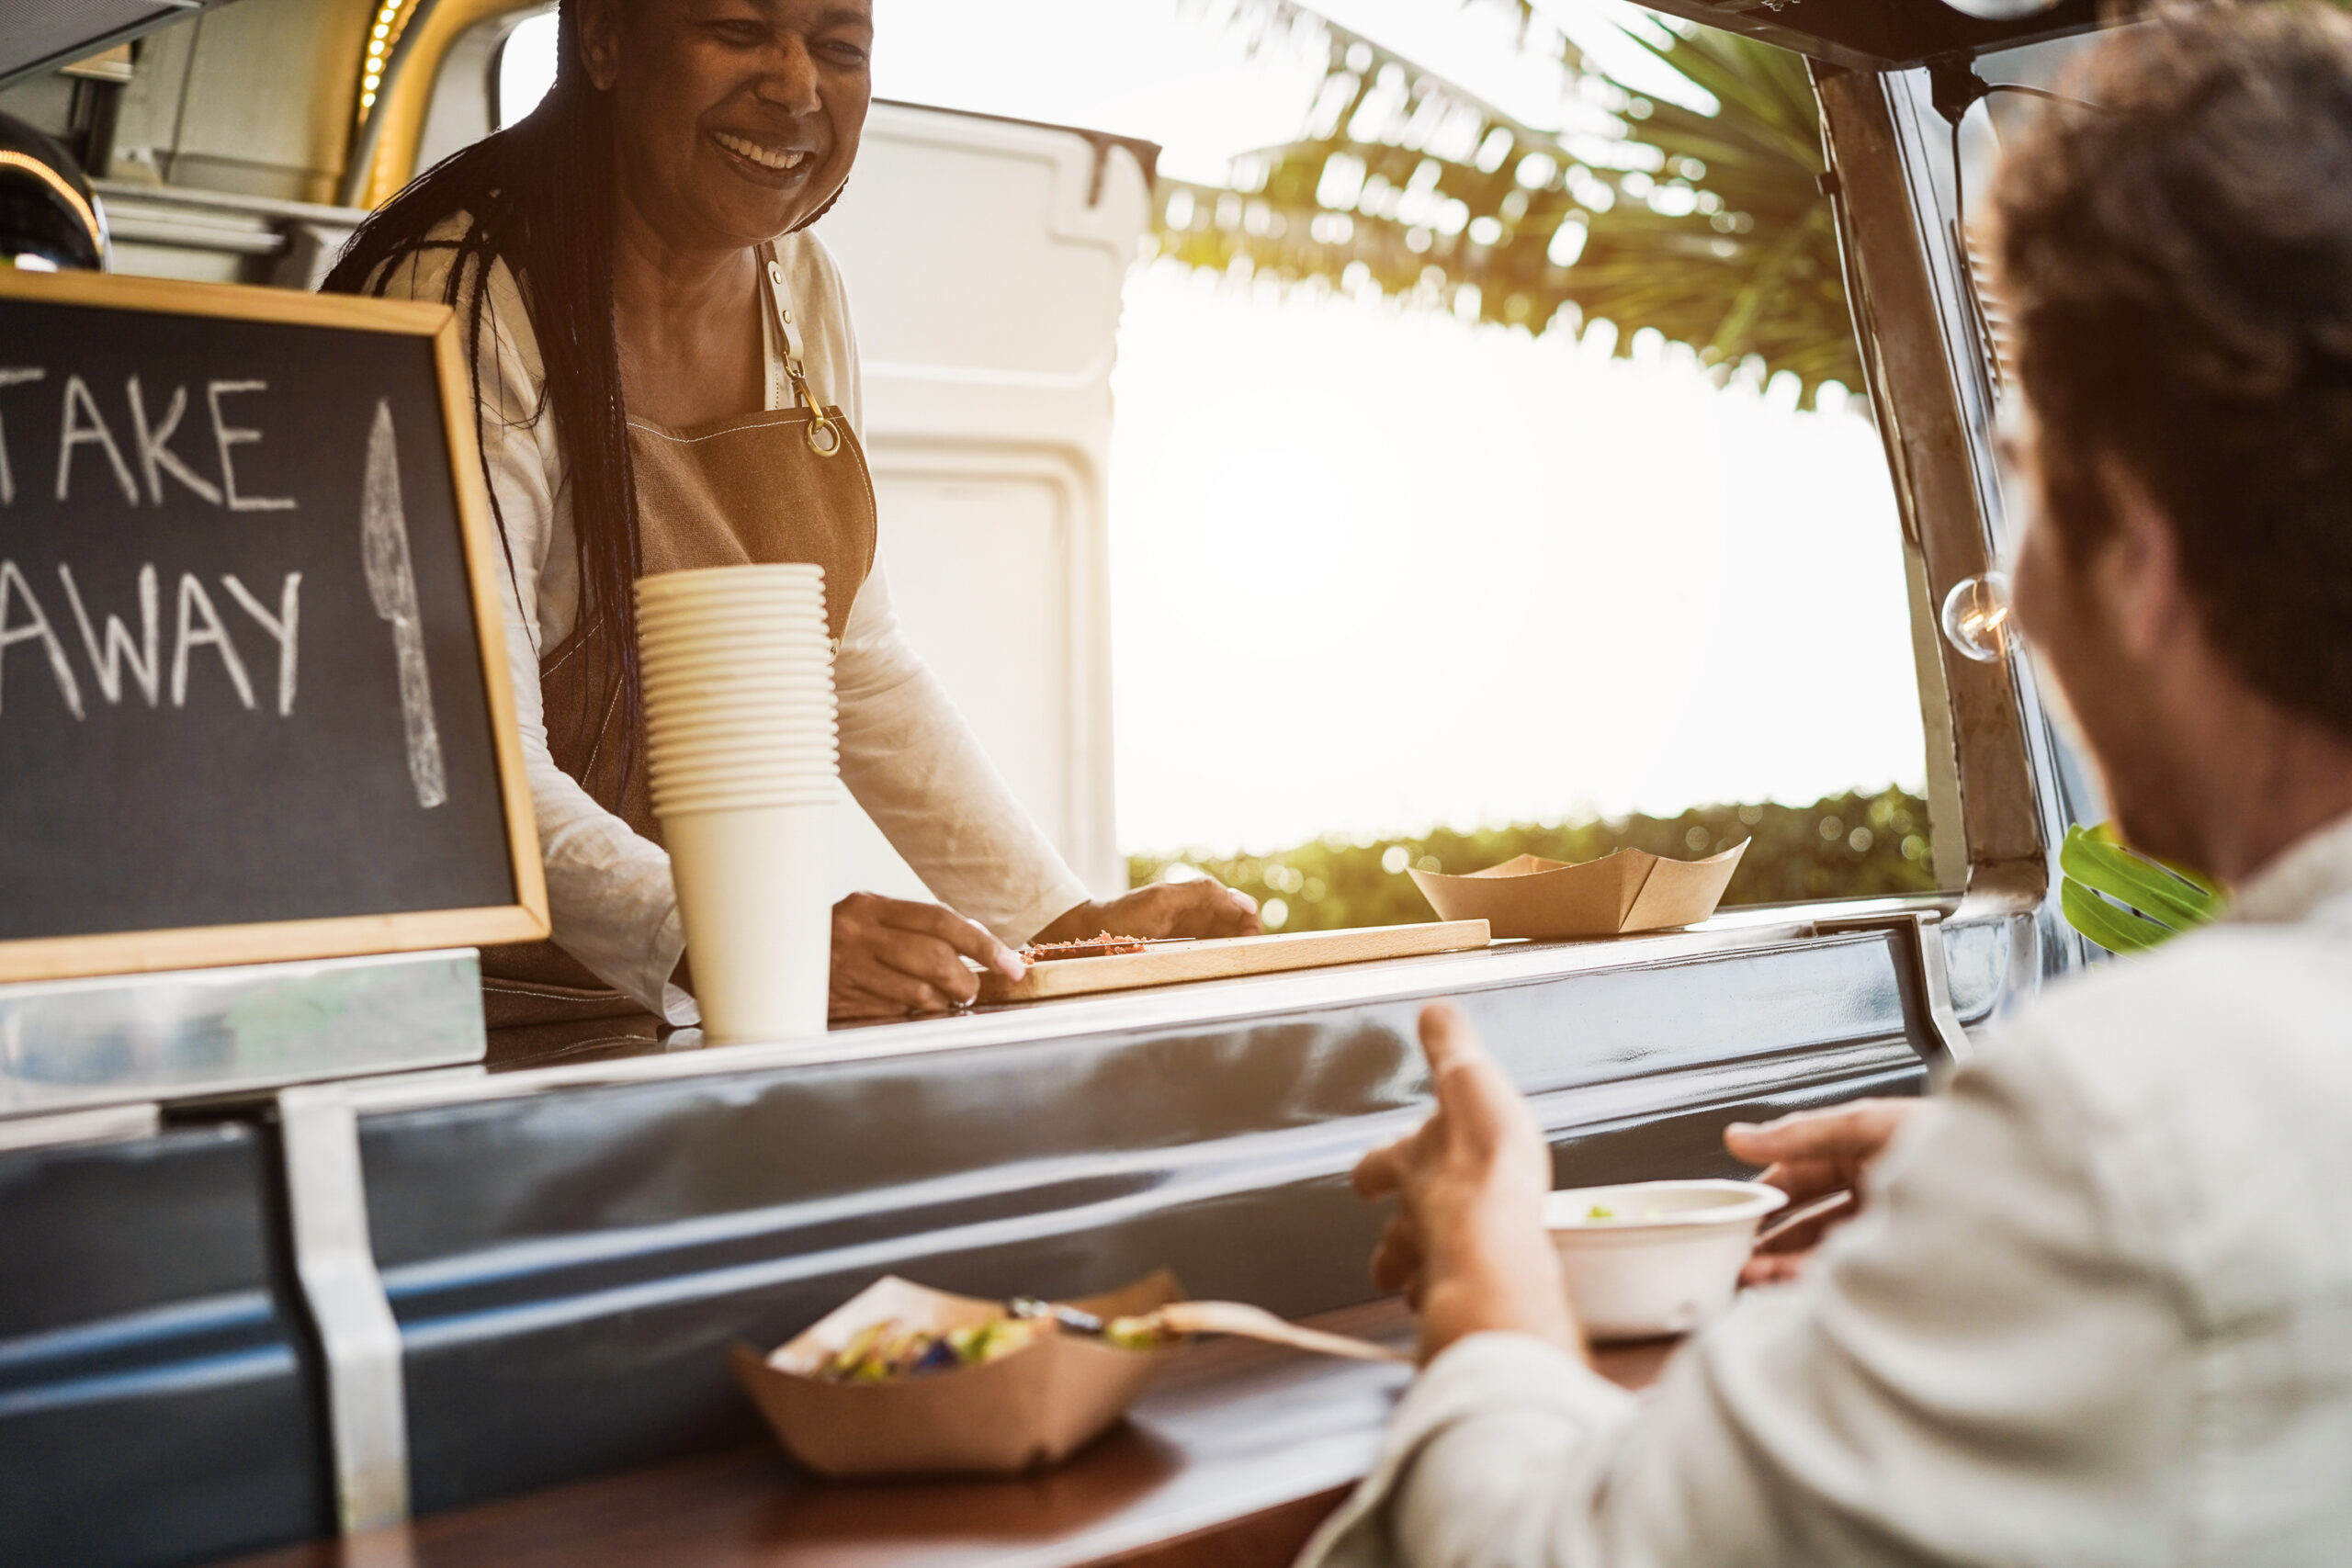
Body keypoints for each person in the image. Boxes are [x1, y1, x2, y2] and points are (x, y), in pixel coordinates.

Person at [1300, 8, 2352, 1563]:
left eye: (2026, 487)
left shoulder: (2131, 1119)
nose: (2018, 606)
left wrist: (1485, 1265)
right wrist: (1985, 1211)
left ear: (2133, 553)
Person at [324, 0, 1256, 1057]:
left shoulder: (799, 282)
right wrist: (750, 947)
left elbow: (850, 659)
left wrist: (1060, 928)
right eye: (736, 27)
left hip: (659, 1017)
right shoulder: (459, 296)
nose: (796, 85)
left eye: (839, 48)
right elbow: (466, 752)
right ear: (606, 40)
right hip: (441, 1037)